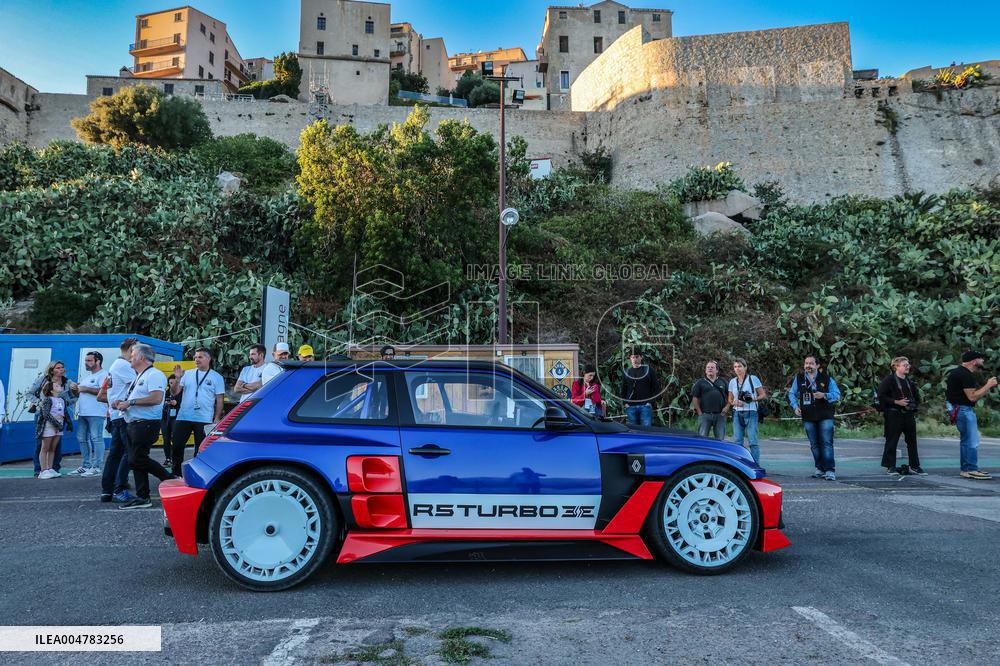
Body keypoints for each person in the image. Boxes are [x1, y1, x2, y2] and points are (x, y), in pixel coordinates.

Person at [112, 343, 175, 509]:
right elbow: (137, 399)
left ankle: (171, 480)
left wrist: (130, 402)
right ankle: (143, 497)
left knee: (136, 458)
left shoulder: (154, 375)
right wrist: (122, 403)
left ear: (141, 357)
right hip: (133, 424)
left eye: (132, 355)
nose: (130, 358)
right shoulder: (139, 376)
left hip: (145, 425)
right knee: (135, 461)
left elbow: (156, 398)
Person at [170, 348, 225, 477]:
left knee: (200, 449)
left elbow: (220, 399)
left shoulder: (216, 377)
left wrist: (217, 418)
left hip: (204, 418)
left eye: (200, 357)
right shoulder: (187, 374)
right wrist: (177, 379)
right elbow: (175, 392)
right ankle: (175, 473)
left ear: (208, 359)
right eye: (195, 357)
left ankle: (197, 474)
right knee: (177, 446)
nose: (196, 360)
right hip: (184, 416)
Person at [788, 355, 841, 480]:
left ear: (817, 365)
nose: (808, 366)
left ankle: (829, 470)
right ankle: (819, 468)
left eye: (811, 363)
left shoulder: (826, 378)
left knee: (826, 443)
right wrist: (795, 406)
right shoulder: (799, 378)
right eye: (806, 363)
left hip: (825, 415)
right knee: (814, 444)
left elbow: (837, 394)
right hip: (808, 416)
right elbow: (791, 393)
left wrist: (825, 395)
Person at [946, 351, 997, 480]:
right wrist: (988, 385)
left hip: (959, 408)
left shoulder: (958, 372)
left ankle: (966, 469)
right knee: (971, 441)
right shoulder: (965, 374)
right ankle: (971, 469)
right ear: (974, 361)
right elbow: (972, 397)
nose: (983, 361)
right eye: (981, 358)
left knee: (966, 441)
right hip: (963, 409)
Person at [101, 338, 138, 504]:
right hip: (123, 416)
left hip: (116, 415)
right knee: (128, 453)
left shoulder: (115, 365)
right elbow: (138, 385)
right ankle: (120, 488)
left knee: (115, 454)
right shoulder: (123, 365)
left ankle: (107, 490)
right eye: (137, 350)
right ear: (131, 349)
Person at [28, 361, 77, 477]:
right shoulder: (44, 380)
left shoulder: (67, 382)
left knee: (56, 445)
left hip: (59, 418)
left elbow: (73, 398)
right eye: (58, 367)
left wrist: (67, 401)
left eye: (62, 367)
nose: (61, 369)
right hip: (43, 416)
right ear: (52, 369)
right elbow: (29, 394)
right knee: (41, 444)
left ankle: (53, 468)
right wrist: (40, 403)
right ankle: (39, 470)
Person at [878, 356, 925, 475]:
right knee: (892, 440)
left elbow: (916, 397)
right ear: (896, 367)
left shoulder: (909, 381)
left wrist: (913, 405)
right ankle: (890, 466)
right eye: (905, 365)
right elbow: (881, 396)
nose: (908, 366)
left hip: (908, 415)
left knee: (912, 441)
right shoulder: (889, 380)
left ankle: (914, 466)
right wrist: (896, 402)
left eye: (908, 364)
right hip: (894, 414)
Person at [70, 351, 108, 477]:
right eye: (86, 360)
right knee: (81, 439)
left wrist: (85, 388)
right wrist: (75, 390)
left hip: (96, 413)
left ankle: (97, 466)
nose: (86, 363)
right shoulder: (87, 377)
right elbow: (79, 394)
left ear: (98, 361)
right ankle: (86, 465)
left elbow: (104, 392)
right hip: (83, 413)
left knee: (96, 438)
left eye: (89, 360)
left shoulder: (104, 375)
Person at [728, 357, 766, 465]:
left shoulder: (753, 379)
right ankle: (739, 465)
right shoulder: (732, 382)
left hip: (751, 412)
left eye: (740, 366)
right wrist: (734, 402)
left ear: (745, 367)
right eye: (735, 367)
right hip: (737, 412)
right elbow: (729, 398)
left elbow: (762, 395)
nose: (737, 369)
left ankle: (755, 464)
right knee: (737, 441)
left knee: (753, 441)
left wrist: (751, 399)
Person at [35, 381, 68, 479]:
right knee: (45, 448)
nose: (60, 386)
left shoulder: (62, 400)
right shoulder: (48, 400)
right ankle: (43, 470)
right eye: (57, 385)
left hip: (59, 426)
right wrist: (56, 424)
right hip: (50, 426)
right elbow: (46, 414)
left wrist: (68, 424)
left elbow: (65, 414)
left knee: (52, 448)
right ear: (51, 389)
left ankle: (50, 469)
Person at [692, 360, 729, 440]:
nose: (710, 369)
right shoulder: (700, 383)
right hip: (705, 415)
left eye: (712, 367)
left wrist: (727, 407)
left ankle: (719, 453)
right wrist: (700, 413)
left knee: (720, 440)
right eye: (708, 367)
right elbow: (695, 398)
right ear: (705, 370)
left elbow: (731, 396)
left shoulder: (723, 381)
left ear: (717, 370)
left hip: (720, 415)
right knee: (702, 439)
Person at [622, 349, 660, 426]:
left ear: (641, 357)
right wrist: (625, 403)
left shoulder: (648, 370)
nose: (635, 359)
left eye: (637, 357)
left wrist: (650, 402)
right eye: (633, 357)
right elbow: (623, 388)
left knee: (646, 432)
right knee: (633, 432)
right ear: (630, 358)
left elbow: (656, 387)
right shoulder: (627, 372)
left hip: (645, 406)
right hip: (631, 406)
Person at [160, 374, 181, 468]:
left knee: (176, 439)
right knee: (166, 439)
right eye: (170, 383)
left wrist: (177, 403)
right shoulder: (166, 392)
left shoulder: (181, 393)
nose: (171, 385)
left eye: (173, 383)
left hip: (176, 418)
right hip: (165, 418)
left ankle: (175, 459)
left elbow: (184, 404)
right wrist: (165, 403)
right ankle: (168, 458)